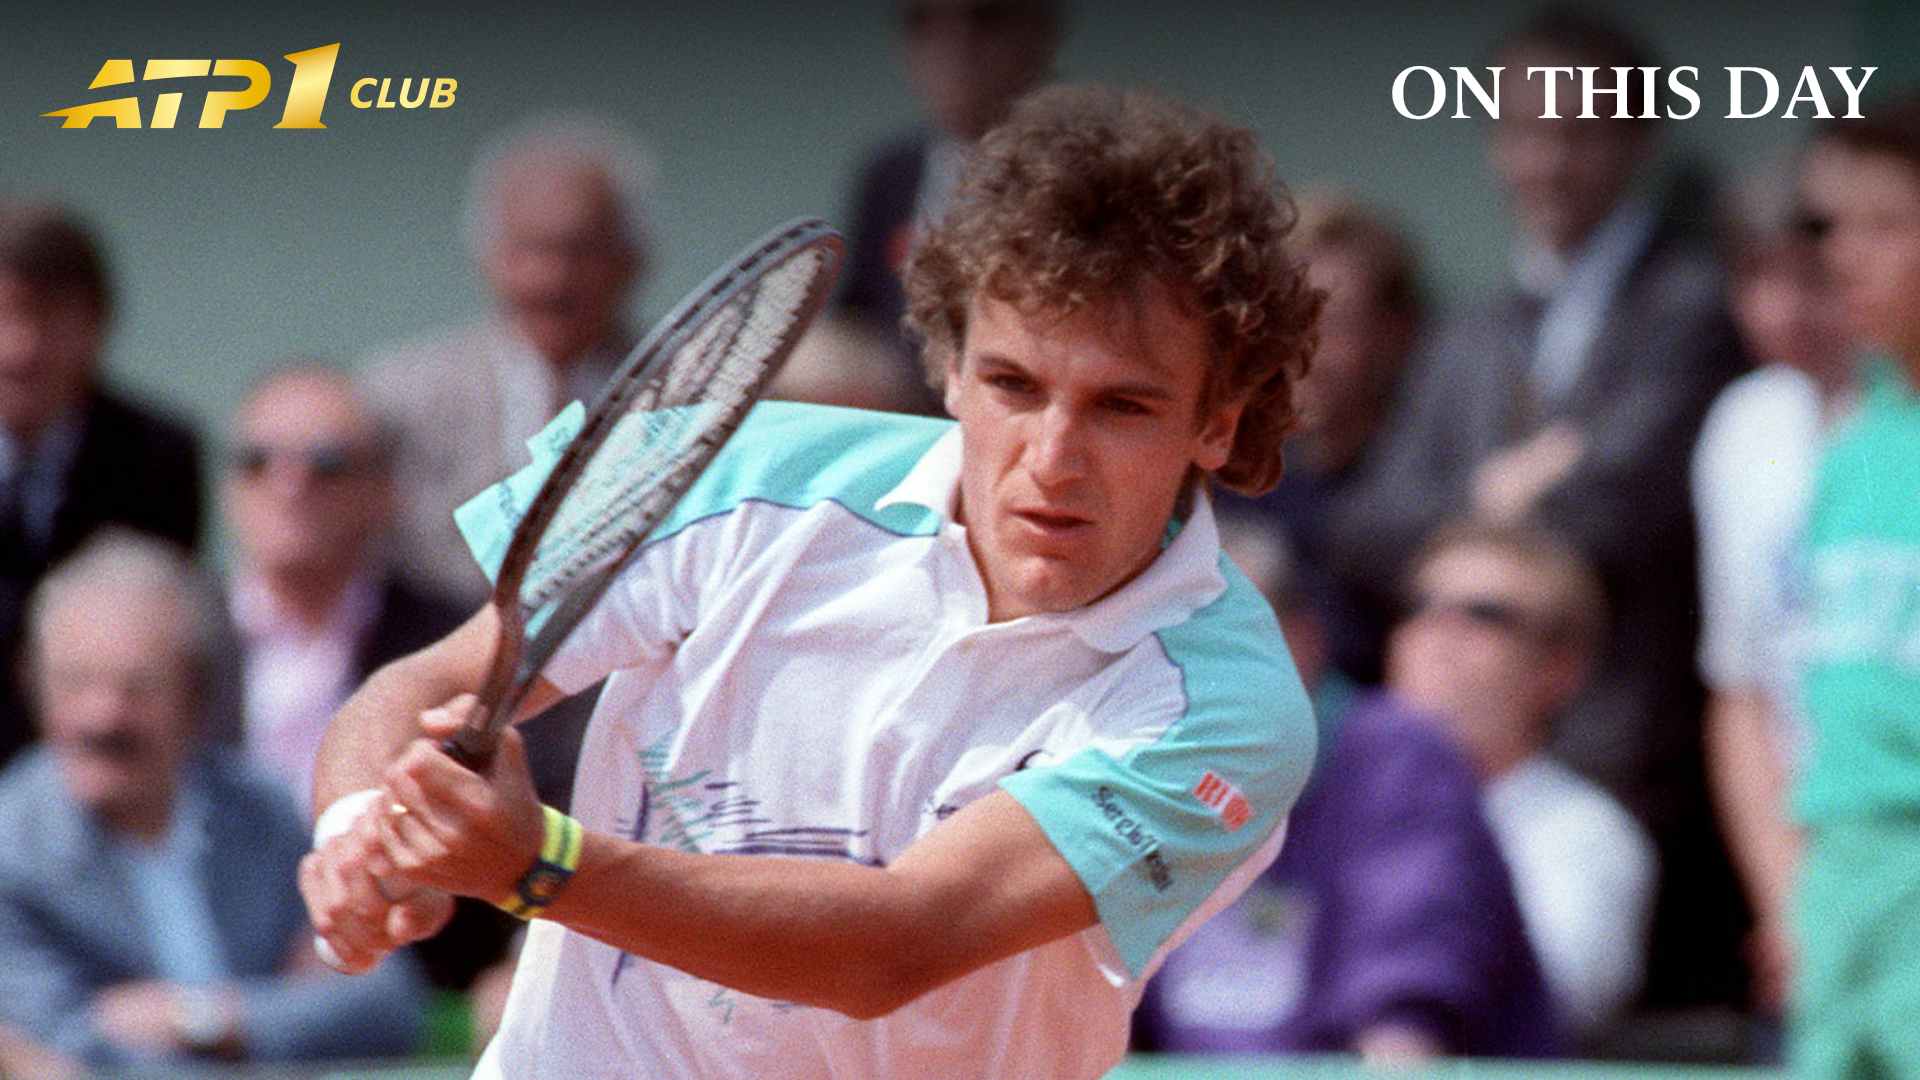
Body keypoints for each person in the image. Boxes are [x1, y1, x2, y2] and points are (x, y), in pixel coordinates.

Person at [301, 84, 1322, 1079]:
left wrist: (536, 865)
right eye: (1013, 384)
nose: (1053, 459)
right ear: (950, 370)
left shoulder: (1229, 709)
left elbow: (896, 947)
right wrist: (356, 836)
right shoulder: (724, 473)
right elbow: (426, 687)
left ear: (1217, 422)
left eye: (1122, 407)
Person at [1331, 7, 1748, 1012]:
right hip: (1459, 768)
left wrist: (1483, 513)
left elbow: (1619, 513)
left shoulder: (1694, 306)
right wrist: (1495, 496)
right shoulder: (1471, 329)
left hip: (1630, 771)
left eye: (1580, 131)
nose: (1548, 163)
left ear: (1638, 140)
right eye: (1524, 130)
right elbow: (1369, 527)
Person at [1136, 517, 1559, 1063]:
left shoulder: (1401, 756)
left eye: (1228, 637)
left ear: (1304, 640)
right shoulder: (1137, 772)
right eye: (1170, 639)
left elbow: (1407, 998)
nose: (1196, 667)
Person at [0, 531, 424, 1069]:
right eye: (74, 683)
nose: (102, 717)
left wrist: (200, 1019)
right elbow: (62, 1055)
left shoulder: (257, 810)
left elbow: (386, 1003)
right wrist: (288, 1009)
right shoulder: (13, 852)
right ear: (33, 686)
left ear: (195, 694)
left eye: (137, 688)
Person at [218, 365, 514, 998]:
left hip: (417, 971)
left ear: (385, 492)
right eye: (257, 461)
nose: (289, 484)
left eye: (324, 464)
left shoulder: (449, 639)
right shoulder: (176, 635)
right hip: (211, 975)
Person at [1692, 147, 1858, 1030]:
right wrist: (1790, 902)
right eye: (1756, 278)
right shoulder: (1742, 425)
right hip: (1809, 876)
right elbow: (1742, 690)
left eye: (1813, 278)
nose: (1782, 311)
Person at [361, 114, 656, 607]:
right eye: (528, 249)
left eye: (578, 251)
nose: (552, 280)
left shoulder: (688, 390)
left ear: (630, 260)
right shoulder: (401, 396)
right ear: (489, 256)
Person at [1391, 520, 1657, 1042]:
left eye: (1482, 614)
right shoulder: (1310, 802)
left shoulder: (1587, 833)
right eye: (1420, 607)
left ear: (1560, 668)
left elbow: (1541, 1004)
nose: (1437, 635)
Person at [1787, 92, 1920, 1079]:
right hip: (1840, 873)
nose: (1845, 256)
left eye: (1889, 224)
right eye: (1835, 226)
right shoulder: (1851, 442)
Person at [0, 203, 204, 769]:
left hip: (106, 759)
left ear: (95, 325)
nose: (20, 348)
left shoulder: (156, 457)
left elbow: (158, 637)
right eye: (4, 315)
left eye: (47, 318)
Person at [1221, 194, 1422, 686]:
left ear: (1394, 334)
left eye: (1338, 324)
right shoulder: (1224, 476)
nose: (1306, 349)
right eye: (1288, 320)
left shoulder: (1425, 481)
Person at [829, 0, 1064, 413]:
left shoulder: (1076, 172)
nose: (956, 47)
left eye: (985, 19)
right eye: (925, 22)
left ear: (1037, 32)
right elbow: (856, 317)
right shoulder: (893, 173)